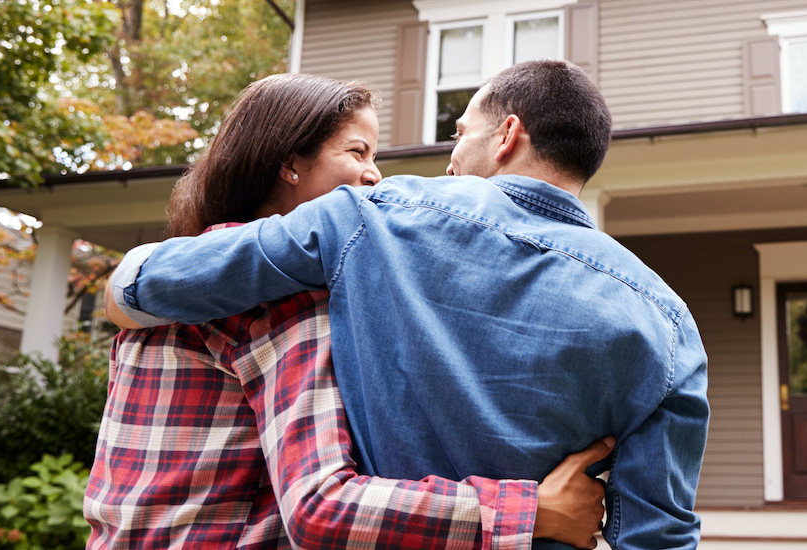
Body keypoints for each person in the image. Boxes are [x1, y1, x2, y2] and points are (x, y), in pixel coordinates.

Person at [106, 61, 709, 550]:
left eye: (460, 132)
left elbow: (163, 278)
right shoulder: (670, 324)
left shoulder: (369, 223)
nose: (448, 158)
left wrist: (123, 285)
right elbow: (659, 536)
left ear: (506, 136)